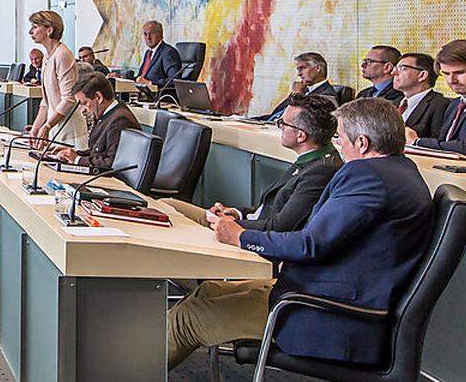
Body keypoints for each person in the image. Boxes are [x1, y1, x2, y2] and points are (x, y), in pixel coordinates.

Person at [168, 98, 431, 370]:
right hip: (314, 293)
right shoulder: (400, 172)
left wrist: (240, 236)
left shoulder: (368, 177)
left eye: (340, 139)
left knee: (187, 318)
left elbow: (309, 243)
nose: (337, 146)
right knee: (208, 289)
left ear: (362, 143)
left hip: (323, 314)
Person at [166, 94, 343, 232]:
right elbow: (269, 207)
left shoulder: (320, 171)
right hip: (243, 223)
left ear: (301, 135)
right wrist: (235, 212)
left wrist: (231, 223)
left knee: (168, 210)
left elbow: (280, 226)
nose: (278, 125)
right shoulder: (312, 160)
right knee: (167, 205)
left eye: (283, 123)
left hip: (246, 235)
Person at [27, 10, 89, 150]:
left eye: (35, 27)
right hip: (55, 126)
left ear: (49, 30)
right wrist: (37, 127)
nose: (31, 31)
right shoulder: (47, 57)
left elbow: (69, 99)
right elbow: (46, 99)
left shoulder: (62, 55)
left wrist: (47, 125)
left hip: (69, 129)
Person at [408, 39, 466, 157]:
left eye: (459, 73)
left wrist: (417, 142)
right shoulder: (454, 105)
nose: (451, 80)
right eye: (446, 73)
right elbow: (445, 144)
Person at [58, 73, 139, 168]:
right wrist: (73, 153)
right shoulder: (109, 114)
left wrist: (77, 159)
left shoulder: (120, 120)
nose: (82, 109)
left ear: (98, 97)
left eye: (84, 103)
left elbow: (111, 163)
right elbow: (98, 152)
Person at [262, 52, 340, 121]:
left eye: (302, 68)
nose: (299, 74)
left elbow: (301, 122)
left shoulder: (328, 96)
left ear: (318, 68)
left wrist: (297, 95)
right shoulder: (303, 89)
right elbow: (277, 113)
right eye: (298, 69)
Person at [393, 52, 450, 139]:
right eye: (395, 68)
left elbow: (436, 143)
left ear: (422, 75)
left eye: (402, 68)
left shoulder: (440, 105)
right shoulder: (394, 103)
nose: (393, 72)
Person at [134, 20, 181, 89]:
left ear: (160, 34)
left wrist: (150, 83)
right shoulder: (148, 53)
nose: (148, 37)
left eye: (151, 33)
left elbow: (174, 80)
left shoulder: (168, 52)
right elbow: (141, 77)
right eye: (145, 34)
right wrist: (122, 78)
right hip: (142, 93)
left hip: (158, 96)